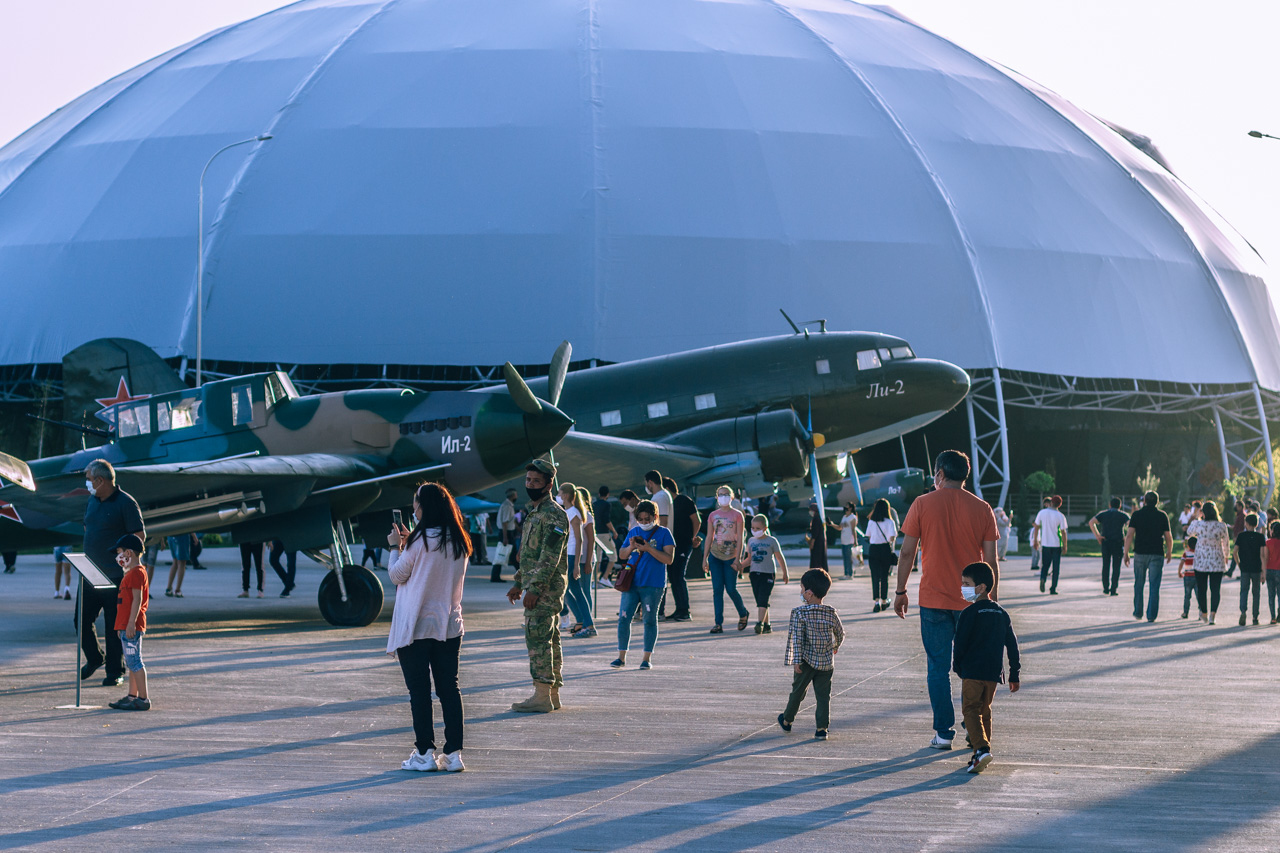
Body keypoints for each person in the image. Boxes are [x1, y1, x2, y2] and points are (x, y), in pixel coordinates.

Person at [893, 450, 998, 750]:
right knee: (973, 667)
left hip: (934, 600)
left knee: (937, 667)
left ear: (939, 473)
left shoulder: (923, 504)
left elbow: (906, 552)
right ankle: (972, 724)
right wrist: (991, 601)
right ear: (966, 474)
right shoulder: (982, 508)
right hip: (972, 601)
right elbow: (990, 561)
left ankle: (943, 733)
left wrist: (901, 591)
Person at [386, 482, 470, 773]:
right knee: (449, 688)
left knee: (419, 691)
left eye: (416, 503)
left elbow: (398, 575)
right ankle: (454, 753)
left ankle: (424, 753)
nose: (413, 508)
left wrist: (395, 548)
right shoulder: (459, 540)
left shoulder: (418, 542)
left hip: (417, 626)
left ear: (425, 507)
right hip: (448, 623)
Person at [506, 460, 569, 713]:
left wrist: (535, 589)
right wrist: (519, 583)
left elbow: (549, 556)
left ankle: (542, 694)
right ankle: (551, 695)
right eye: (528, 480)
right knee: (549, 639)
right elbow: (530, 556)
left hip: (546, 589)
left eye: (535, 481)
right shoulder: (534, 513)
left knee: (538, 640)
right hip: (536, 585)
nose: (530, 485)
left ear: (548, 484)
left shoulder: (554, 514)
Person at [80, 460, 145, 688]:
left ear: (100, 480)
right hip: (89, 572)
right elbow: (89, 528)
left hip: (116, 576)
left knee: (113, 625)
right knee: (81, 620)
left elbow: (138, 536)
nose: (87, 484)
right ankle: (96, 657)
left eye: (89, 479)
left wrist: (125, 563)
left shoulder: (126, 503)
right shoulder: (92, 500)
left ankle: (115, 672)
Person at [952, 561, 1020, 774]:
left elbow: (960, 642)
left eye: (967, 583)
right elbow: (1012, 644)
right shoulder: (1001, 613)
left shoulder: (969, 613)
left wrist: (958, 666)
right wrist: (1014, 673)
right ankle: (980, 753)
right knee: (984, 710)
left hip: (972, 671)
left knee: (970, 709)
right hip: (992, 673)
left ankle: (981, 749)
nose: (963, 587)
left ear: (981, 587)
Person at [778, 569, 844, 741]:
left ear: (808, 593)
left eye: (802, 589)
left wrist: (796, 660)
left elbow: (797, 639)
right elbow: (840, 633)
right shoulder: (831, 613)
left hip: (806, 660)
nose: (801, 592)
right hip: (827, 663)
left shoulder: (800, 613)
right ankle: (822, 729)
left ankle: (787, 720)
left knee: (798, 692)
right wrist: (835, 646)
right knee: (823, 697)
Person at [613, 499, 675, 669]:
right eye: (641, 519)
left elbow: (669, 559)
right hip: (632, 583)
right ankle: (621, 656)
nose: (644, 523)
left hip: (653, 584)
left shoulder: (664, 533)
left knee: (649, 619)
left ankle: (646, 658)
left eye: (647, 519)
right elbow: (622, 554)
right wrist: (631, 547)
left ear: (654, 516)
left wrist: (649, 549)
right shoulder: (634, 531)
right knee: (624, 618)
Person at [107, 534, 152, 711]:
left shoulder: (136, 573)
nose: (118, 557)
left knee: (135, 662)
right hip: (126, 626)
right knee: (131, 661)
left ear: (129, 553)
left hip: (131, 625)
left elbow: (137, 599)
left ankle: (143, 698)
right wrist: (122, 626)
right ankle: (132, 696)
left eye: (119, 553)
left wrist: (131, 623)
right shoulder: (133, 573)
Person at [703, 484, 750, 634]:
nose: (723, 497)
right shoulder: (712, 515)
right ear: (717, 498)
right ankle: (718, 623)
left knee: (731, 588)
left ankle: (743, 613)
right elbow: (710, 537)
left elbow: (741, 538)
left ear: (731, 497)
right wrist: (705, 558)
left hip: (731, 556)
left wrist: (738, 559)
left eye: (726, 494)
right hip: (715, 556)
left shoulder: (737, 515)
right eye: (720, 494)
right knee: (717, 590)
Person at [1123, 491, 1174, 622]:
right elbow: (1168, 537)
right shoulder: (1162, 516)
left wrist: (1126, 553)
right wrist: (1169, 551)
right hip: (1157, 553)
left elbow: (1129, 535)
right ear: (1157, 502)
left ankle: (1138, 612)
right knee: (1154, 585)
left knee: (1138, 584)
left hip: (1140, 552)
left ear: (1144, 501)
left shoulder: (1136, 515)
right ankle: (1151, 615)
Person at [737, 514, 789, 633]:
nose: (755, 531)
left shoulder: (771, 541)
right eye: (753, 528)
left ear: (765, 528)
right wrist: (739, 566)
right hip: (755, 573)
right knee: (760, 600)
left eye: (758, 528)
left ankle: (759, 623)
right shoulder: (751, 541)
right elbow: (749, 559)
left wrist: (785, 573)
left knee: (763, 598)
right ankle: (767, 624)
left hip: (768, 573)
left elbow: (779, 558)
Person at [660, 477, 699, 622]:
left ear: (668, 489)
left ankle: (684, 610)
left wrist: (693, 538)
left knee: (678, 575)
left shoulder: (684, 501)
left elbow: (696, 520)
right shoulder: (668, 504)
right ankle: (679, 609)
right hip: (671, 545)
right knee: (672, 576)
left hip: (683, 544)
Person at [1185, 500, 1230, 624]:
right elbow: (1226, 543)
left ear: (1203, 512)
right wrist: (1226, 555)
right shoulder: (1221, 526)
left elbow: (1189, 532)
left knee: (1202, 588)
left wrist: (1198, 517)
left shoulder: (1198, 524)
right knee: (1215, 589)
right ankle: (1213, 615)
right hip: (1217, 560)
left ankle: (1204, 612)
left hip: (1201, 560)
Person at [557, 482, 589, 634]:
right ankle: (582, 621)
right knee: (573, 591)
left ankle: (587, 623)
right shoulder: (568, 512)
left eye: (560, 493)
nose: (558, 496)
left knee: (568, 591)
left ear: (566, 495)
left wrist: (576, 565)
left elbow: (579, 540)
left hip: (571, 556)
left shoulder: (574, 513)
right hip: (567, 555)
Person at [568, 485, 599, 639]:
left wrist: (587, 561)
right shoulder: (575, 514)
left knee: (585, 591)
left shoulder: (586, 515)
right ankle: (581, 620)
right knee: (568, 592)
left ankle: (588, 624)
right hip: (575, 557)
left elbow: (591, 540)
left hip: (586, 558)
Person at [1088, 498, 1130, 596]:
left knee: (1105, 565)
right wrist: (1126, 537)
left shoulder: (1103, 514)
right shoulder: (1123, 515)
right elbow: (1131, 525)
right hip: (1118, 542)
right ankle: (1113, 589)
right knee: (1116, 566)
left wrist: (1098, 535)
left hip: (1106, 541)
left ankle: (1106, 588)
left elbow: (1091, 522)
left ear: (1109, 505)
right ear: (1120, 506)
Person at [1234, 513, 1267, 627]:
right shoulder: (1260, 537)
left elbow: (1235, 552)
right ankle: (1255, 617)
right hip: (1256, 568)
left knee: (1244, 591)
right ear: (1257, 524)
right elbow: (1262, 555)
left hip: (1245, 568)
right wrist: (1264, 571)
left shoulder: (1241, 536)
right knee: (1256, 593)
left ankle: (1243, 612)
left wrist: (1239, 563)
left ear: (1246, 523)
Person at [865, 498, 897, 613]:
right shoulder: (890, 522)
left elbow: (868, 536)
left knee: (874, 576)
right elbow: (892, 538)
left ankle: (876, 602)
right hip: (885, 549)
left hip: (873, 549)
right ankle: (884, 600)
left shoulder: (871, 522)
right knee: (884, 576)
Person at [1033, 495, 1068, 595]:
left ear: (1051, 502)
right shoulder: (1060, 516)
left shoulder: (1042, 513)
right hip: (1057, 545)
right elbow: (1063, 532)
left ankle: (1043, 578)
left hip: (1045, 544)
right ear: (1059, 505)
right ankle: (1053, 588)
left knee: (1045, 565)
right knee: (1056, 567)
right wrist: (1065, 546)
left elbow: (1036, 527)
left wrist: (1036, 541)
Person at [831, 503, 862, 579]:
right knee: (845, 557)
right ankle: (846, 573)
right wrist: (832, 524)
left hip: (849, 540)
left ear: (851, 508)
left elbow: (853, 529)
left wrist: (855, 540)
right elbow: (840, 527)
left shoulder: (852, 517)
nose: (845, 507)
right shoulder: (844, 517)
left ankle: (850, 574)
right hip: (843, 540)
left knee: (849, 557)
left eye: (847, 506)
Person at [495, 488, 519, 583]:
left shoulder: (508, 505)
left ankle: (495, 575)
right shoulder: (507, 506)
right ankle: (522, 574)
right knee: (508, 554)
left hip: (507, 532)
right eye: (516, 494)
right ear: (513, 496)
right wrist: (505, 537)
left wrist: (518, 529)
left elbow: (510, 521)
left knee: (505, 554)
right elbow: (505, 523)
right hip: (506, 533)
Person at [164, 534, 189, 598]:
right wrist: (194, 536)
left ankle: (169, 588)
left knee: (175, 561)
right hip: (182, 535)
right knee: (182, 562)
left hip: (171, 535)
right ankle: (177, 590)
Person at [1179, 536, 1197, 620]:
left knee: (1187, 596)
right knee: (1199, 595)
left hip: (1187, 577)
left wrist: (1179, 571)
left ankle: (1185, 612)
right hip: (1197, 577)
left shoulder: (1185, 554)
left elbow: (1181, 563)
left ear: (1188, 545)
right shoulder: (1198, 553)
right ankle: (1201, 611)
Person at [806, 503, 829, 571]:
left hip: (817, 542)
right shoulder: (820, 518)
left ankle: (815, 571)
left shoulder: (815, 519)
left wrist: (812, 542)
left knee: (816, 558)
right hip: (820, 541)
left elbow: (815, 532)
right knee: (821, 558)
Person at [1228, 500, 1247, 576]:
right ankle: (1231, 571)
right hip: (1238, 537)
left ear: (1241, 506)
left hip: (1240, 538)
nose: (1235, 507)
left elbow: (1241, 528)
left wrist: (1237, 537)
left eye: (1237, 506)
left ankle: (1237, 571)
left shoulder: (1242, 515)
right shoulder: (1239, 515)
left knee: (1238, 554)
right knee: (1236, 554)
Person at [1267, 521, 1280, 625]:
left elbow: (1266, 557)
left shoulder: (1268, 542)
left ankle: (1273, 617)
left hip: (1270, 569)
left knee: (1271, 595)